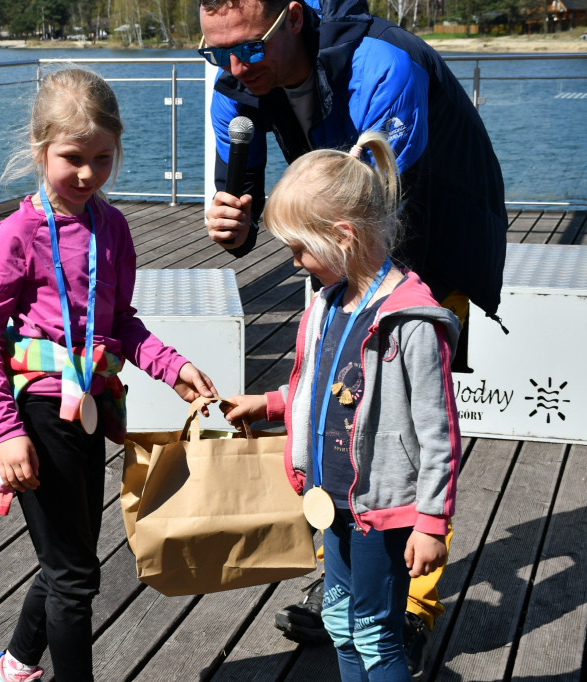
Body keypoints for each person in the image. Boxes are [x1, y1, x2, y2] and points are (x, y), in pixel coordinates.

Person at [198, 0, 507, 668]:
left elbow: (379, 211)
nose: (232, 68)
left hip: (431, 228)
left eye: (247, 48)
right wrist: (232, 226)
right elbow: (247, 207)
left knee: (406, 412)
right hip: (340, 244)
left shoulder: (382, 64)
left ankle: (407, 610)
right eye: (215, 52)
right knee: (346, 399)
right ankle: (354, 591)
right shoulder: (233, 85)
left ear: (293, 19)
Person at [0, 68, 217, 682]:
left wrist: (174, 368)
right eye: (72, 158)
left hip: (90, 410)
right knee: (75, 575)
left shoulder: (113, 227)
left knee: (68, 562)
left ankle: (15, 666)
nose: (87, 174)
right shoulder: (18, 234)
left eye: (102, 158)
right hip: (38, 413)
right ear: (40, 148)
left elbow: (121, 322)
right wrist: (7, 432)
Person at [221, 131, 461, 681]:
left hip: (382, 508)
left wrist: (431, 522)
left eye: (300, 250)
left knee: (375, 631)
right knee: (339, 623)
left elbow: (439, 433)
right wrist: (269, 403)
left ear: (343, 237)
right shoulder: (328, 303)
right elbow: (328, 388)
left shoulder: (411, 323)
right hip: (332, 499)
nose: (296, 263)